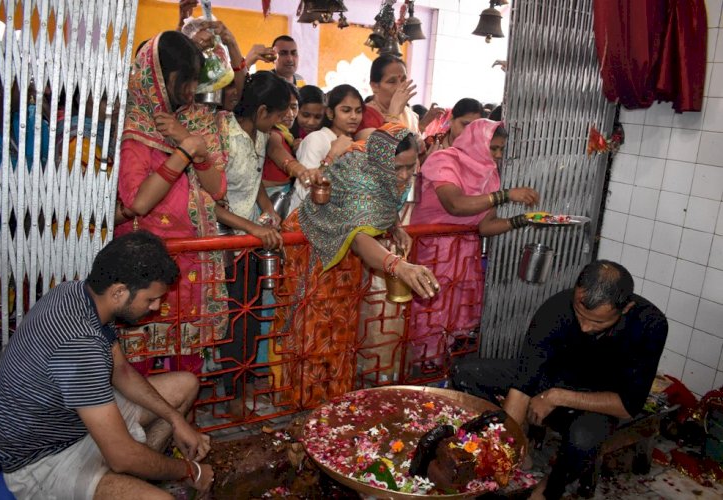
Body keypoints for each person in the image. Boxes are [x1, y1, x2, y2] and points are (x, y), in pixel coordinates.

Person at [0, 231, 215, 499]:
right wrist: (191, 471)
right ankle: (130, 477)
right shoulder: (80, 344)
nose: (156, 307)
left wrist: (176, 420)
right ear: (119, 292)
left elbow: (121, 371)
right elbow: (121, 456)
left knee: (185, 385)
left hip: (72, 422)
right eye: (150, 298)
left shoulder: (76, 293)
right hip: (42, 460)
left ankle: (135, 476)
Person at [451, 260, 668, 500]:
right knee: (466, 373)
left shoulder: (649, 325)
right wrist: (505, 451)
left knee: (583, 441)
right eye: (580, 314)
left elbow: (628, 406)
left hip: (597, 401)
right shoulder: (556, 308)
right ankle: (520, 446)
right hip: (551, 379)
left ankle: (547, 489)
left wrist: (557, 396)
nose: (585, 327)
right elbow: (524, 382)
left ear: (625, 308)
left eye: (598, 323)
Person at [269, 123, 440, 407]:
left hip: (347, 260)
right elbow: (359, 238)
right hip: (316, 252)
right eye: (399, 168)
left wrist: (394, 225)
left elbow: (381, 205)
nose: (406, 175)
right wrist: (401, 267)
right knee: (311, 331)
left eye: (412, 166)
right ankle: (303, 405)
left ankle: (333, 400)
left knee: (342, 328)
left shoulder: (379, 165)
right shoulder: (358, 176)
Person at [115, 31, 228, 376]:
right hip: (143, 259)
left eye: (195, 81)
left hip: (191, 257)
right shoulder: (131, 121)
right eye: (184, 81)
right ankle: (139, 427)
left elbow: (218, 188)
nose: (191, 91)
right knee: (139, 358)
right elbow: (136, 202)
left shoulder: (198, 120)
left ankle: (178, 422)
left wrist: (188, 139)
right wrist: (184, 150)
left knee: (186, 356)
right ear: (158, 78)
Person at [409, 119, 539, 371]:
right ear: (477, 142)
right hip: (431, 253)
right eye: (494, 149)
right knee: (427, 314)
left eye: (502, 150)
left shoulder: (490, 174)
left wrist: (523, 220)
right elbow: (455, 205)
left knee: (453, 318)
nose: (498, 156)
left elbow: (485, 226)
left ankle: (441, 372)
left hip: (462, 257)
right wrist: (506, 195)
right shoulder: (445, 161)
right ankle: (417, 373)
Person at [212, 70, 290, 418]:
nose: (281, 121)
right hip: (219, 244)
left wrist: (269, 211)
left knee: (249, 314)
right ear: (261, 111)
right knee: (231, 320)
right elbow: (210, 199)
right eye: (277, 114)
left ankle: (240, 387)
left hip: (248, 242)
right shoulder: (222, 134)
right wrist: (251, 230)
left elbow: (255, 180)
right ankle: (229, 395)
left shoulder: (259, 135)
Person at [287, 84, 362, 215]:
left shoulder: (355, 144)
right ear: (330, 113)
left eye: (358, 111)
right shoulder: (315, 139)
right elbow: (305, 191)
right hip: (306, 223)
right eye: (346, 110)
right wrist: (332, 156)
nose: (354, 116)